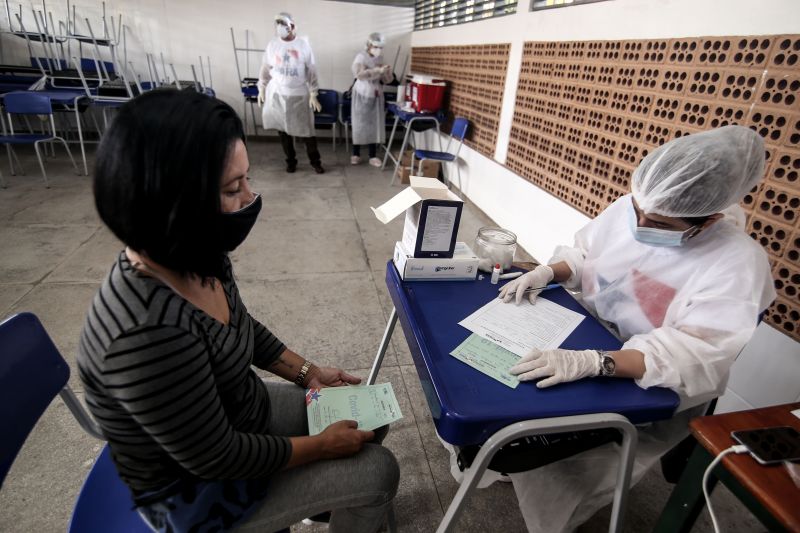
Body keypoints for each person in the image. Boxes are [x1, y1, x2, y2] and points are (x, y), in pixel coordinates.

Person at [77, 89, 399, 533]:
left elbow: (240, 326)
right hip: (199, 491)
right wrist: (321, 448)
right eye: (232, 189)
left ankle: (319, 498)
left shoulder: (194, 251)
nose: (250, 198)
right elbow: (217, 456)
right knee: (378, 469)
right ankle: (318, 496)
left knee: (366, 417)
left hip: (238, 413)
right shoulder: (146, 333)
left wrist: (309, 373)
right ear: (174, 203)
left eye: (246, 179)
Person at [494, 125, 775, 532]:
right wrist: (545, 272)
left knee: (560, 462)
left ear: (710, 219)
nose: (638, 221)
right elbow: (587, 255)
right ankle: (509, 457)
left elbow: (691, 355)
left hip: (650, 379)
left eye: (657, 221)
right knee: (508, 391)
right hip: (586, 334)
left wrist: (594, 363)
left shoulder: (737, 264)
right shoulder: (636, 205)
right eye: (637, 209)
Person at [257, 12, 324, 174]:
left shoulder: (303, 45)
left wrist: (313, 93)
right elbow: (265, 68)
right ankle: (291, 161)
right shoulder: (273, 45)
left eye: (283, 24)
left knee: (307, 131)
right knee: (283, 131)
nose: (280, 28)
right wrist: (262, 88)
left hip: (299, 94)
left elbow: (311, 70)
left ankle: (315, 162)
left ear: (292, 26)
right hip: (278, 93)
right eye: (277, 24)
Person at [350, 32, 393, 167]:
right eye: (376, 47)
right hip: (361, 94)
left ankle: (373, 155)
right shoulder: (361, 57)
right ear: (369, 45)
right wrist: (376, 71)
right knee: (359, 124)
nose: (378, 50)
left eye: (380, 47)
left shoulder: (381, 59)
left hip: (376, 95)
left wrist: (386, 72)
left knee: (374, 125)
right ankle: (356, 153)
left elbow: (388, 80)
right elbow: (359, 74)